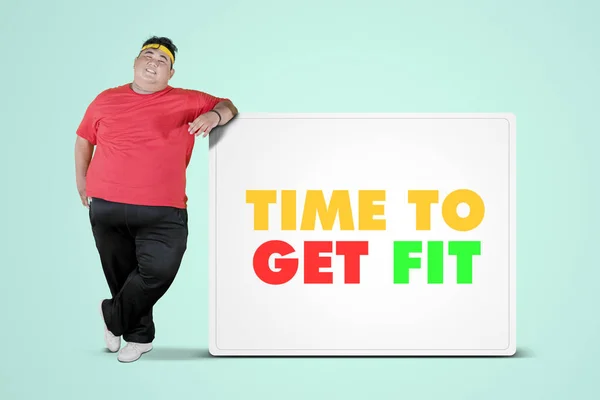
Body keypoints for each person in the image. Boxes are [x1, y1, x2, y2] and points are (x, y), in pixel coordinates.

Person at [74, 36, 238, 363]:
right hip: (106, 204)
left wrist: (214, 117)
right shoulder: (105, 99)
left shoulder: (188, 100)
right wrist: (81, 180)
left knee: (158, 271)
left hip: (164, 208)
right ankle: (139, 338)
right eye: (147, 55)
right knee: (121, 275)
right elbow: (84, 140)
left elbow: (228, 105)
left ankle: (112, 314)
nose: (153, 62)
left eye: (161, 60)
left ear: (171, 73)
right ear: (135, 62)